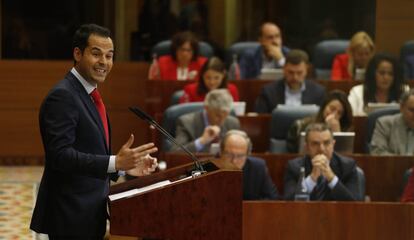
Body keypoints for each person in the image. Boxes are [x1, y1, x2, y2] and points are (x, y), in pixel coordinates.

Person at [30, 24, 159, 239]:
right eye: (96, 54)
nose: (104, 62)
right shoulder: (63, 96)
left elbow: (89, 150)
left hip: (89, 211)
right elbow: (60, 156)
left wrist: (125, 168)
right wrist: (115, 162)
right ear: (78, 53)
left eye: (109, 56)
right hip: (70, 214)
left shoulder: (87, 93)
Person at [283, 123, 360, 201]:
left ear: (333, 144)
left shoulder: (348, 166)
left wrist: (331, 178)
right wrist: (312, 179)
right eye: (315, 144)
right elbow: (289, 202)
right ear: (306, 147)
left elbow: (354, 203)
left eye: (326, 143)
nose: (321, 149)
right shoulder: (294, 167)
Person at [254, 49, 326, 113]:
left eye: (299, 73)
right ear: (284, 69)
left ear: (306, 70)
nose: (295, 77)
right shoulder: (268, 92)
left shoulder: (318, 92)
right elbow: (261, 119)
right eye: (291, 72)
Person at [214, 130, 278, 200]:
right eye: (229, 155)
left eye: (240, 156)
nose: (234, 161)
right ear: (221, 152)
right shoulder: (204, 167)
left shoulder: (258, 168)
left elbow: (272, 199)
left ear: (247, 155)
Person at [172, 89, 240, 153]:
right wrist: (202, 141)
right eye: (218, 115)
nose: (222, 120)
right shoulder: (186, 122)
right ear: (207, 108)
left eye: (225, 115)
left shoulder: (233, 123)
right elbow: (175, 152)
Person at [287, 90, 353, 153]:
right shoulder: (301, 126)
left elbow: (342, 158)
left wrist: (337, 135)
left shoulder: (345, 129)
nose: (334, 115)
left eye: (339, 113)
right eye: (332, 109)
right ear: (324, 106)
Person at [370, 89, 414, 155]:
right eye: (412, 110)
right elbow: (377, 152)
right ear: (401, 108)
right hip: (390, 165)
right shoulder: (385, 124)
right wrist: (404, 161)